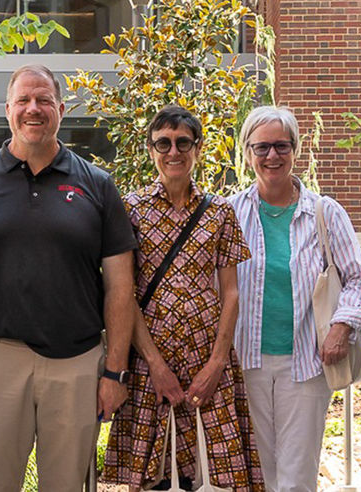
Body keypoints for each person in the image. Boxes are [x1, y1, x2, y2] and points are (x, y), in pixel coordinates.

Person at [0, 64, 138, 491]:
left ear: (61, 109)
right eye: (24, 100)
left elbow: (121, 287)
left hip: (77, 362)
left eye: (44, 99)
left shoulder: (98, 185)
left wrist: (114, 372)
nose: (34, 108)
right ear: (7, 109)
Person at [101, 106, 264, 491]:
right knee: (154, 472)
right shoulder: (131, 209)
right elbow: (124, 293)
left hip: (207, 356)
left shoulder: (219, 213)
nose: (173, 152)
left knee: (216, 473)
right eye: (163, 143)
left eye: (183, 143)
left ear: (198, 148)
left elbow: (231, 292)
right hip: (149, 360)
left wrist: (217, 363)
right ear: (150, 149)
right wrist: (155, 365)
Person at [227, 106, 361, 492]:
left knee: (296, 477)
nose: (272, 156)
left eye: (281, 146)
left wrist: (341, 328)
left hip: (307, 362)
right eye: (261, 148)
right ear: (247, 152)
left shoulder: (325, 213)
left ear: (295, 150)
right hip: (246, 362)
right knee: (253, 474)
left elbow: (359, 280)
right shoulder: (229, 213)